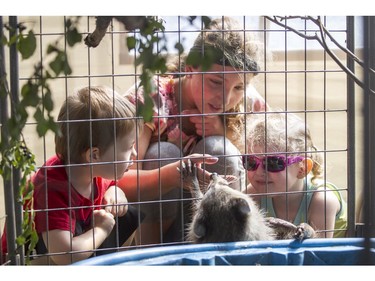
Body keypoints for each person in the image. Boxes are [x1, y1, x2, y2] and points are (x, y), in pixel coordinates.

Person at [119, 16, 267, 245]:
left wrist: (225, 132)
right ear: (190, 68)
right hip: (158, 222)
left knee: (219, 149)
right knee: (163, 153)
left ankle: (231, 253)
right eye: (216, 82)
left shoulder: (247, 103)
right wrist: (170, 175)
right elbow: (118, 180)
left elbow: (269, 167)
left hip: (219, 228)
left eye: (239, 87)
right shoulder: (150, 98)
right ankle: (154, 255)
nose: (225, 98)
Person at [2, 86, 143, 265]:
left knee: (125, 213)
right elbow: (64, 254)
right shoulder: (52, 188)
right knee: (99, 225)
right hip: (31, 260)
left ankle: (113, 266)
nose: (135, 154)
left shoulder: (90, 169)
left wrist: (115, 191)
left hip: (70, 243)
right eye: (129, 147)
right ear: (94, 155)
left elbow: (110, 185)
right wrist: (101, 230)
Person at [243, 112, 347, 238]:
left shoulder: (322, 201)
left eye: (273, 163)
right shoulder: (253, 196)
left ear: (302, 168)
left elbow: (318, 254)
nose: (259, 172)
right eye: (251, 162)